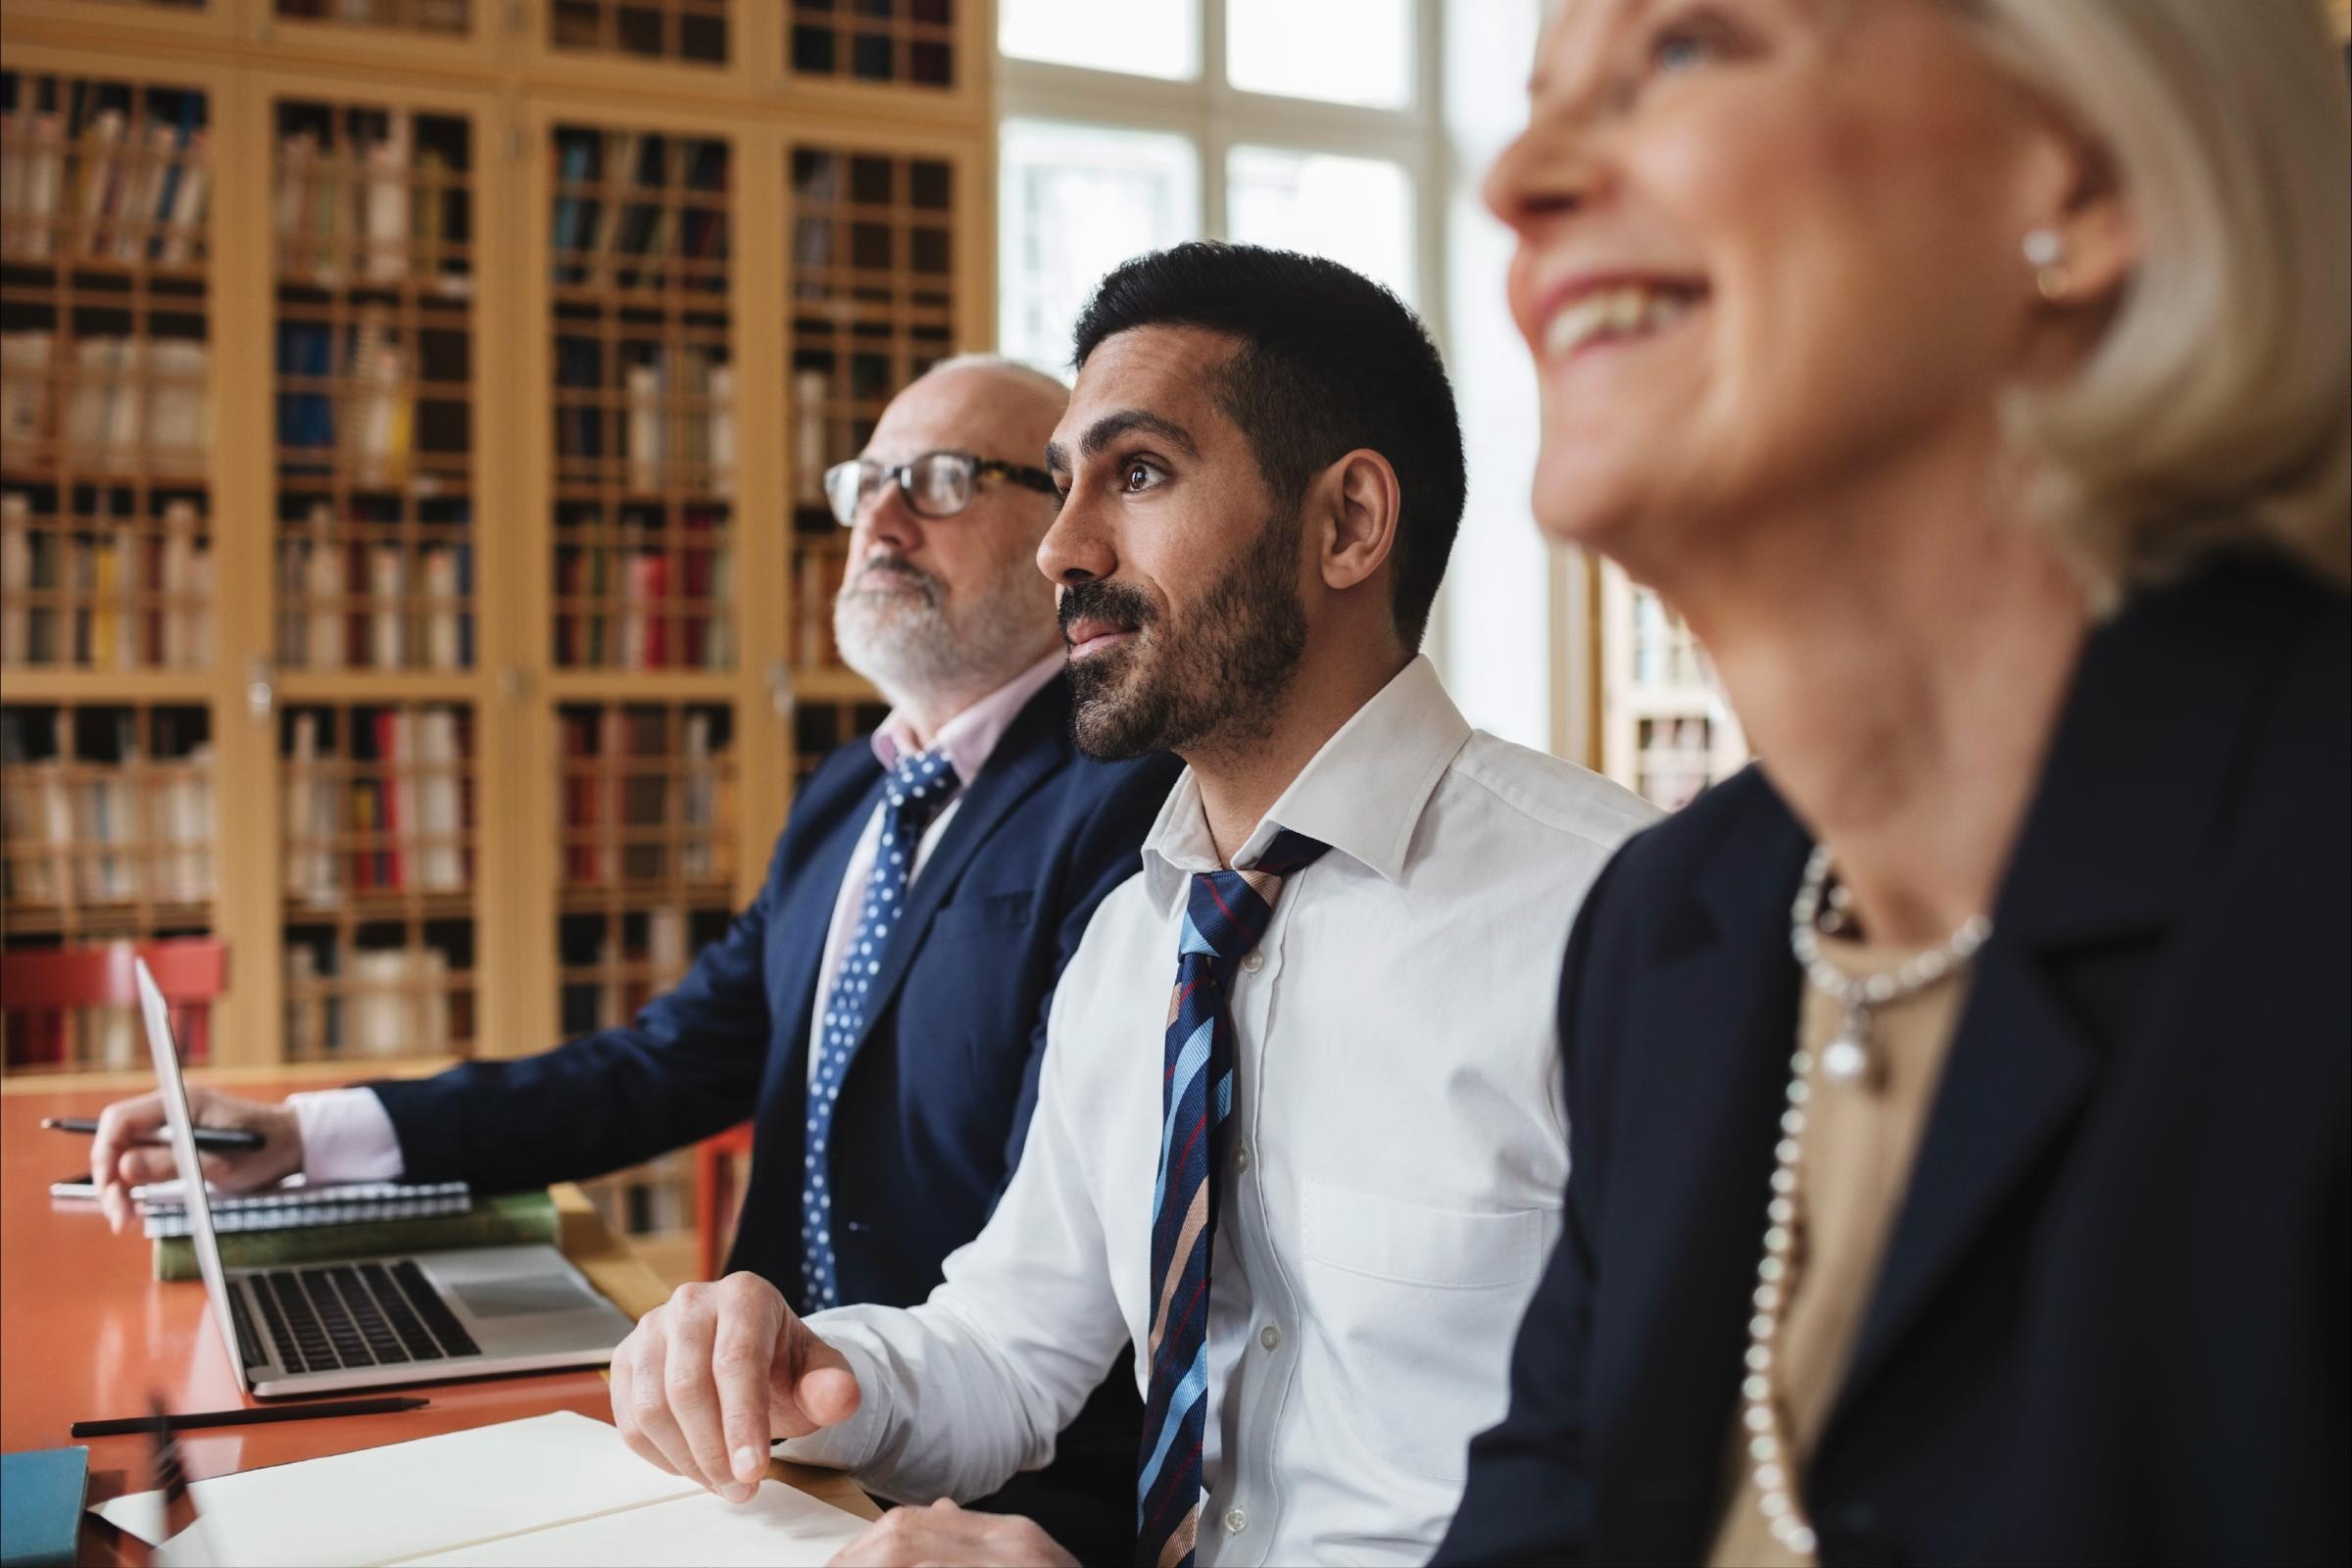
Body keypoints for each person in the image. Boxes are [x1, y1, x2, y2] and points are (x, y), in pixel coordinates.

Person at [1443, 1, 2349, 1563]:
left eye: (1681, 50)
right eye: (1535, 100)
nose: (1517, 179)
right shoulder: (1673, 927)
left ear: (2083, 172)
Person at [602, 242, 1659, 1568]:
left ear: (1346, 524)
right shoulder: (1140, 933)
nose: (1060, 546)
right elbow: (1007, 1348)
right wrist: (812, 1371)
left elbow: (1708, 1505)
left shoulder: (1625, 924)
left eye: (1138, 474)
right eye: (1062, 484)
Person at [85, 356, 1184, 1562]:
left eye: (935, 481)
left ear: (1059, 527)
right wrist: (314, 1135)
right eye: (865, 482)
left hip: (977, 1497)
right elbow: (659, 1065)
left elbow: (1056, 1289)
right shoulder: (847, 796)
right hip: (742, 1430)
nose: (880, 518)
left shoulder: (1127, 804)